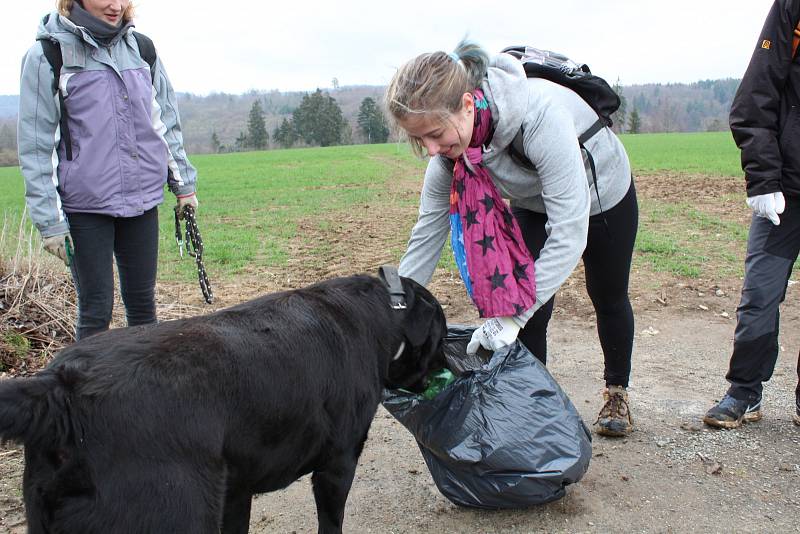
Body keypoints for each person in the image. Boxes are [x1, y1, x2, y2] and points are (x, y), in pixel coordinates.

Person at [386, 39, 639, 436]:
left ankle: (616, 392)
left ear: (467, 105)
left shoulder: (539, 116)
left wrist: (512, 314)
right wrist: (391, 311)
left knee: (607, 296)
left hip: (601, 194)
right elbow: (425, 237)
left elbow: (569, 230)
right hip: (533, 199)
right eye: (421, 141)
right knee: (531, 311)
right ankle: (533, 405)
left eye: (435, 134)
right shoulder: (447, 159)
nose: (433, 150)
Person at [17, 0, 198, 340]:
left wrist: (184, 185)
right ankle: (85, 393)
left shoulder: (142, 49)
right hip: (85, 208)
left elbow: (165, 125)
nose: (116, 5)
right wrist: (50, 222)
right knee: (95, 311)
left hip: (142, 201)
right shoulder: (48, 56)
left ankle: (144, 391)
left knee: (144, 308)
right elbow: (37, 147)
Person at [704, 0, 800, 429]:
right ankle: (744, 390)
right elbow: (753, 100)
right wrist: (764, 181)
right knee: (760, 295)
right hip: (785, 192)